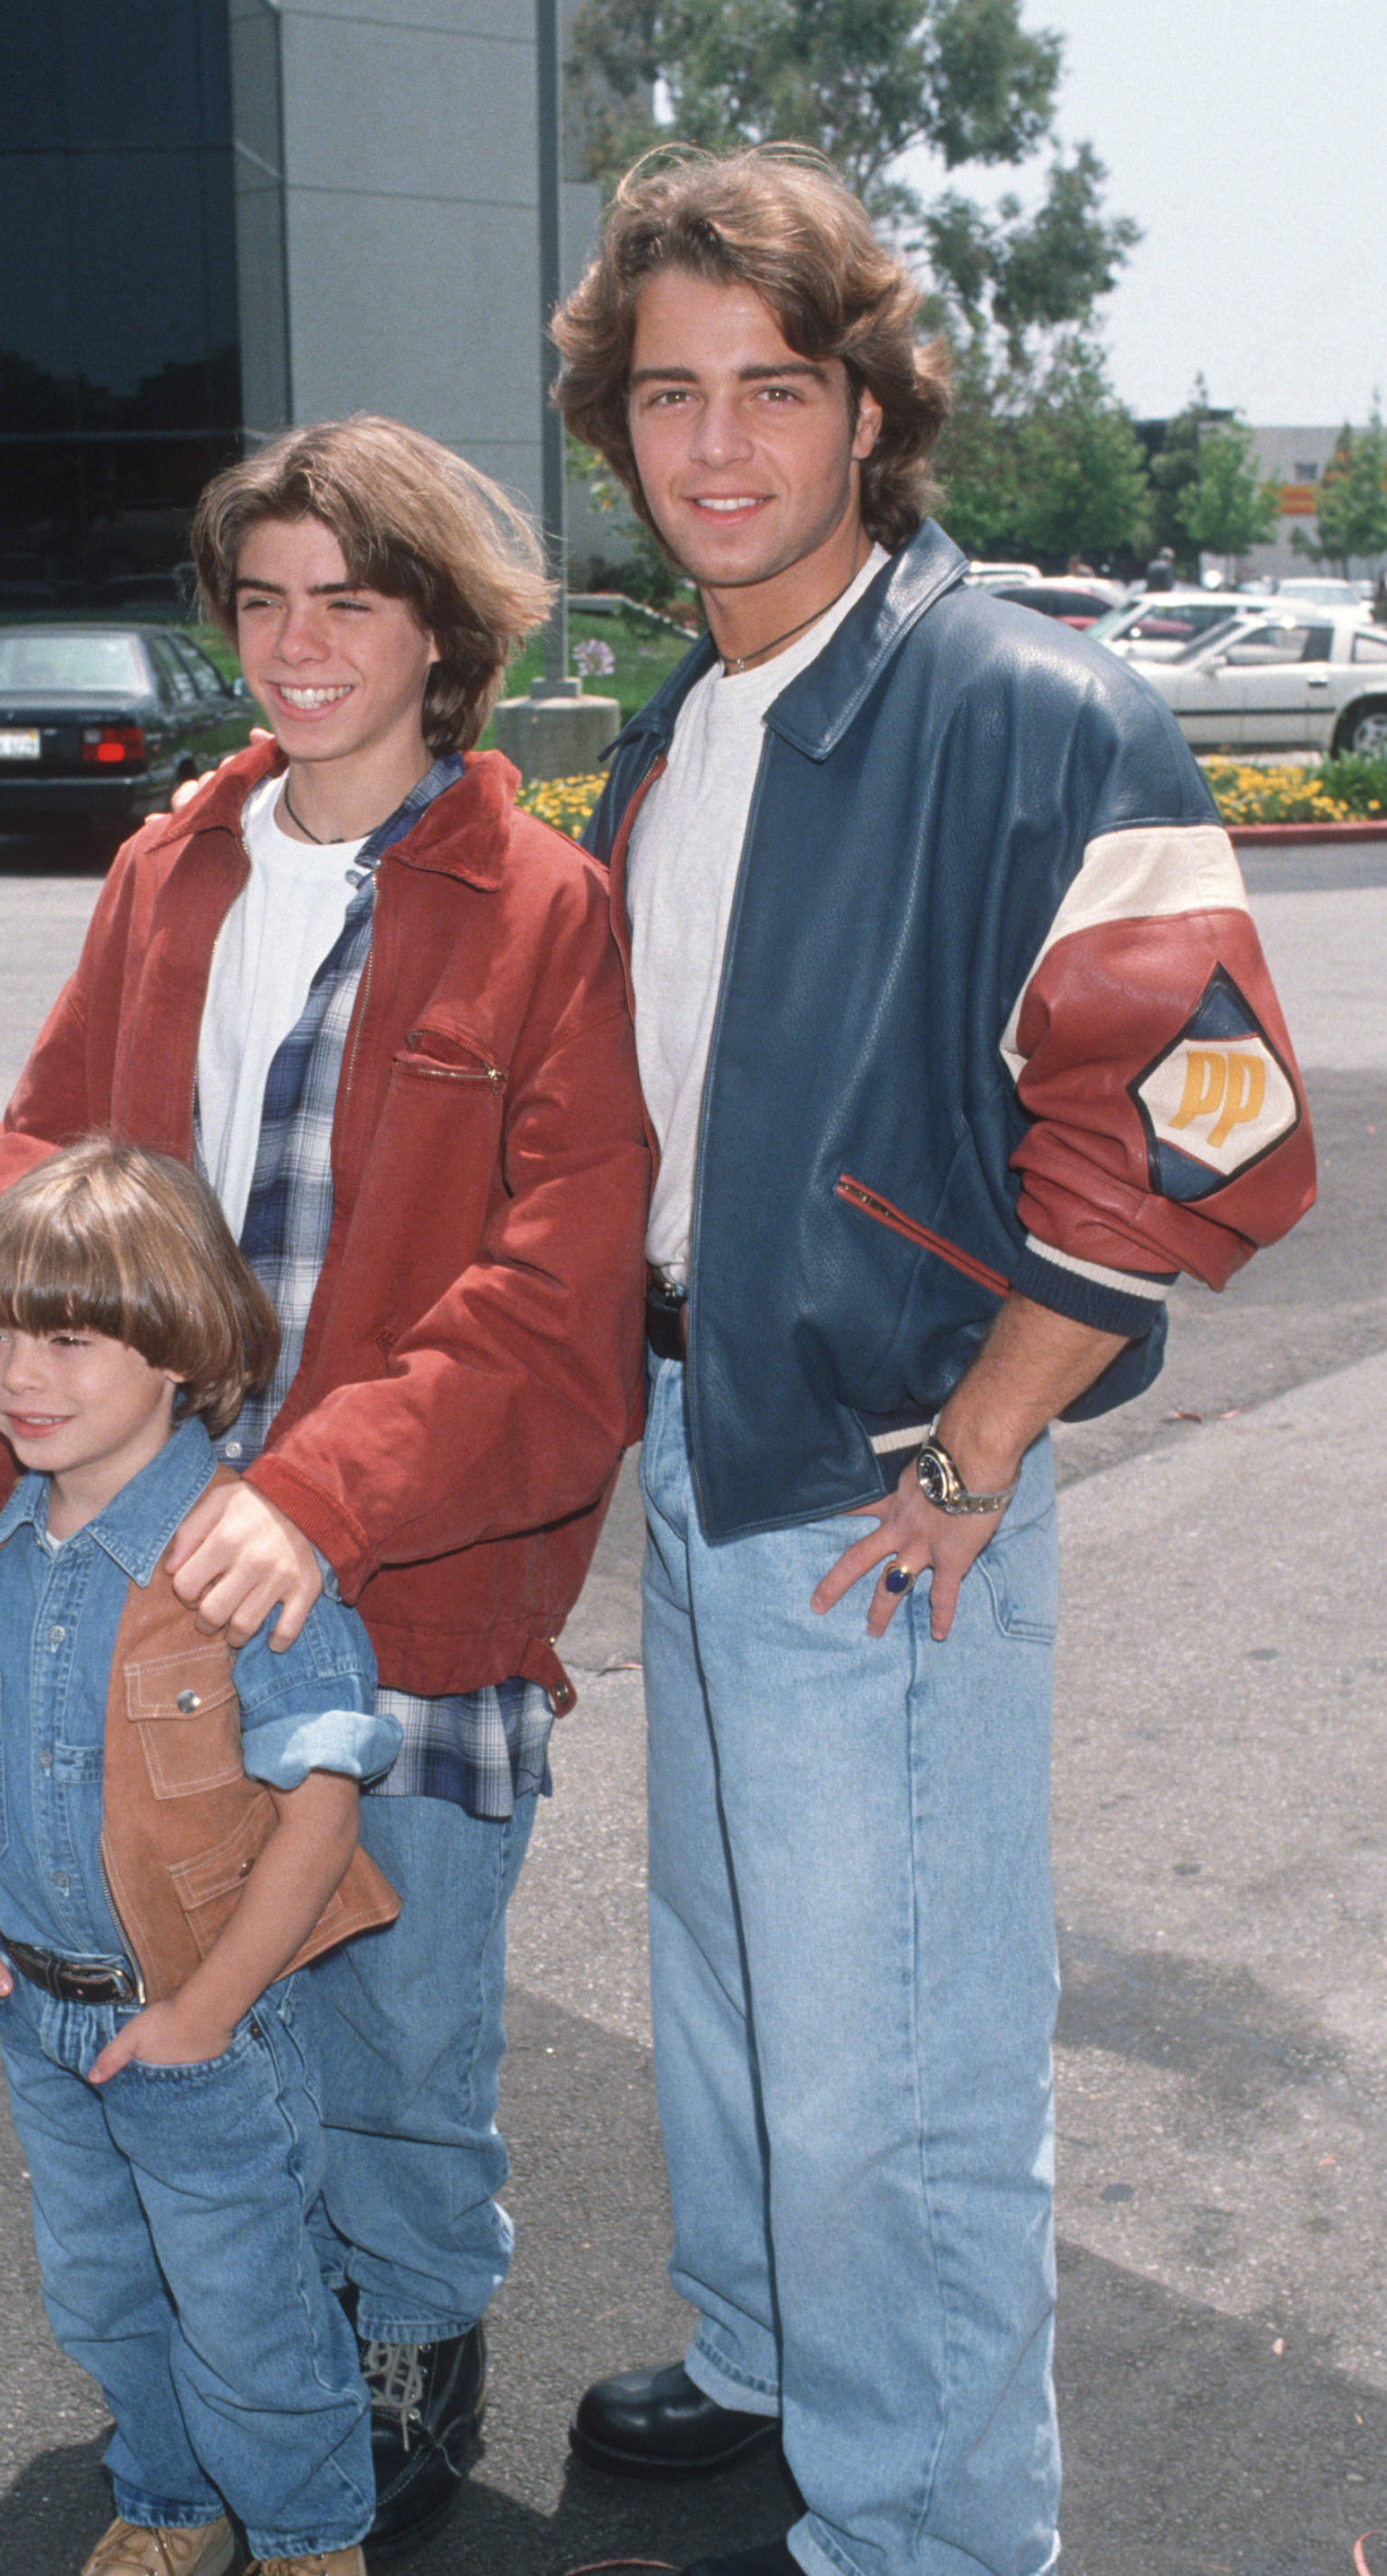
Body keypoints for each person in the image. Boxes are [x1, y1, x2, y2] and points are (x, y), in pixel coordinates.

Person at [551, 146, 1316, 2576]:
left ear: (876, 408)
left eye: (775, 386)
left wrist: (985, 1437)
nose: (717, 446)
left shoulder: (1028, 706)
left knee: (903, 2064)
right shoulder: (693, 709)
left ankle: (935, 2536)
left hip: (885, 1478)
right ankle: (775, 2353)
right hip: (702, 1434)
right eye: (667, 394)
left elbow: (1209, 1127)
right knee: (737, 1969)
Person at [0, 416, 649, 2554]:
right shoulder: (169, 869)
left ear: (442, 633)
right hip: (143, 1577)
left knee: (393, 2028)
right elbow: (35, 1170)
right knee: (187, 2001)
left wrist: (314, 1491)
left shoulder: (539, 908)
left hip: (402, 1571)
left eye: (352, 601)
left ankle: (405, 2322)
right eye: (263, 601)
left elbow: (562, 1291)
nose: (300, 646)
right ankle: (236, 2360)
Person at [0, 1141, 404, 2576]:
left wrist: (203, 2016)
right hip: (34, 2015)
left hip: (198, 2035)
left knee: (251, 2311)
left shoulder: (242, 1567)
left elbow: (320, 1813)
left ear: (179, 1350)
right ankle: (169, 2507)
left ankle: (302, 2536)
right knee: (101, 2293)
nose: (16, 1376)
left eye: (68, 1337)